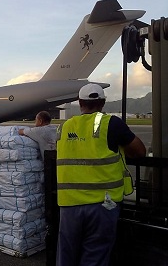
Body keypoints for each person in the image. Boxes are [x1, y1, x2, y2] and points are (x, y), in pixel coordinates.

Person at [56, 83, 146, 266]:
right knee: (95, 256)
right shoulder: (111, 123)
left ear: (79, 103)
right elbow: (139, 152)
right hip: (102, 204)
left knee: (66, 256)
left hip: (69, 205)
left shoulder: (65, 127)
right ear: (103, 102)